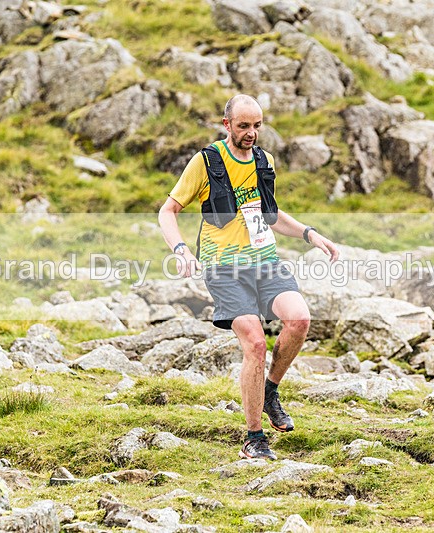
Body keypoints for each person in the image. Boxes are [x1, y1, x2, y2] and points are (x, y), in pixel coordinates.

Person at [158, 94, 340, 460]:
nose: (251, 133)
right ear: (227, 125)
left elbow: (270, 214)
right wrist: (180, 250)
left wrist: (310, 233)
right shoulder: (206, 161)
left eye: (257, 126)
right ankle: (254, 438)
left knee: (300, 319)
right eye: (243, 126)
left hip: (265, 261)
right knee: (255, 344)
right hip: (224, 268)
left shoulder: (264, 160)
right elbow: (168, 211)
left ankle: (270, 390)